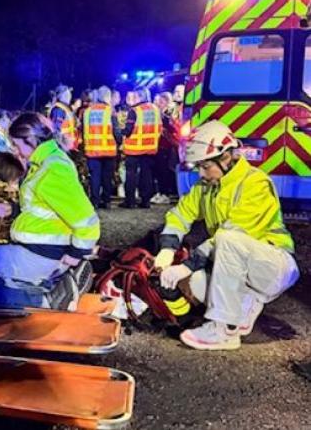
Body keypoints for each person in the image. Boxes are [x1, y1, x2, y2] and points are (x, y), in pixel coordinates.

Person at [154, 121, 298, 350]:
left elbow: (230, 235)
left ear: (225, 158)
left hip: (275, 266)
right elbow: (180, 215)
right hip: (246, 267)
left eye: (205, 166)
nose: (201, 173)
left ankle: (223, 330)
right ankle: (245, 307)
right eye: (197, 166)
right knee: (196, 283)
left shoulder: (255, 183)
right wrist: (167, 248)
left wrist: (187, 265)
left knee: (227, 239)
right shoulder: (208, 186)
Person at [0, 113, 99, 309]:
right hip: (35, 249)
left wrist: (76, 253)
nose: (15, 150)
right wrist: (13, 210)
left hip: (41, 254)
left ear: (30, 140)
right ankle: (38, 291)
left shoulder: (53, 169)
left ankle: (43, 301)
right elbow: (44, 205)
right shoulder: (46, 161)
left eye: (16, 144)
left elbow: (88, 221)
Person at [120, 87, 162, 209]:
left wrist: (120, 130)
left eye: (135, 96)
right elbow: (160, 127)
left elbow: (128, 130)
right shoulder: (155, 109)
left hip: (134, 148)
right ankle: (145, 201)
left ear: (139, 96)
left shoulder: (135, 111)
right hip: (150, 148)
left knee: (131, 175)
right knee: (147, 175)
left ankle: (130, 201)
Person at [83, 86, 121, 209]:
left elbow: (83, 129)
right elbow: (116, 130)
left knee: (95, 177)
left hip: (92, 150)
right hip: (108, 150)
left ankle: (94, 201)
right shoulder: (110, 111)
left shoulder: (88, 111)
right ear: (107, 97)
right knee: (107, 177)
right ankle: (107, 201)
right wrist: (119, 142)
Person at [151, 92, 180, 204]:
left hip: (166, 147)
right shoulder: (160, 114)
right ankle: (160, 193)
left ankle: (165, 194)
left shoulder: (167, 116)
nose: (159, 104)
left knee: (164, 172)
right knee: (159, 171)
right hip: (158, 146)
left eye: (161, 101)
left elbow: (172, 131)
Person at [47, 84, 80, 152]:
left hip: (67, 145)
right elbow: (56, 129)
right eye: (67, 94)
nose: (69, 96)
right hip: (62, 146)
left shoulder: (64, 108)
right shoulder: (59, 109)